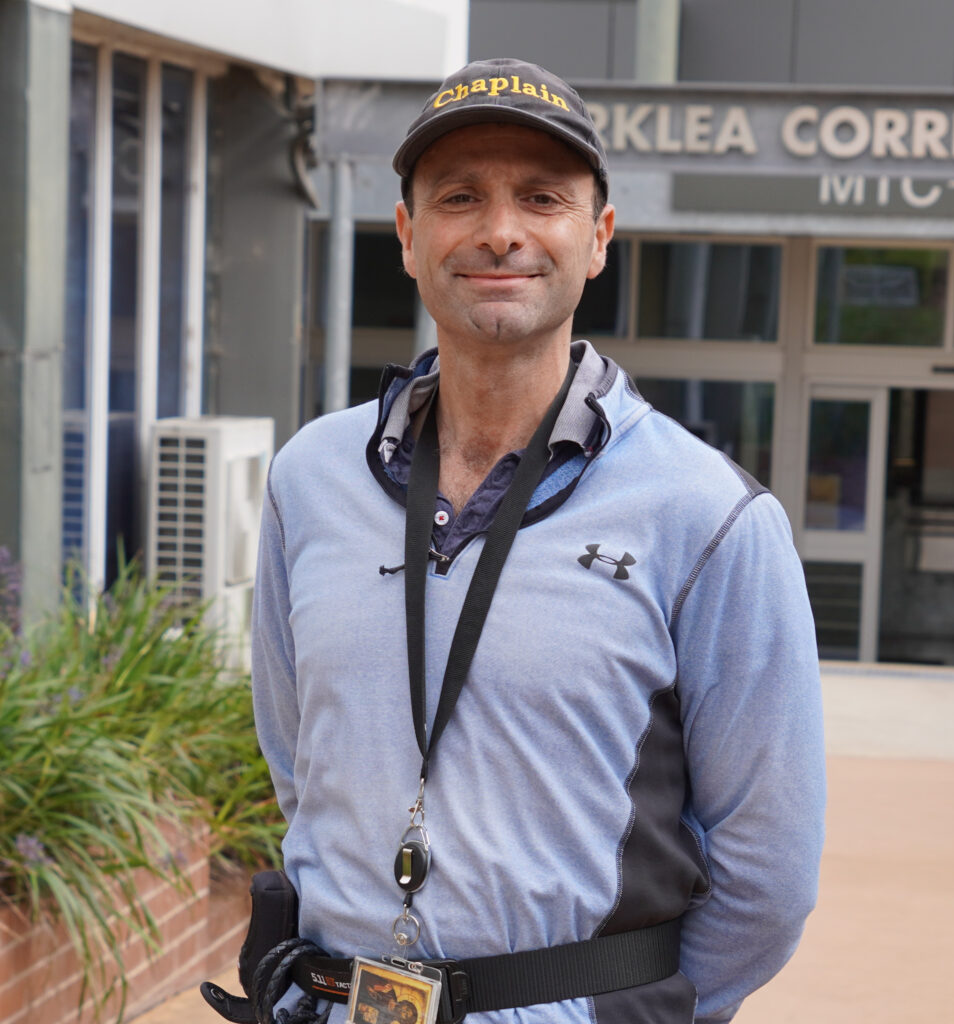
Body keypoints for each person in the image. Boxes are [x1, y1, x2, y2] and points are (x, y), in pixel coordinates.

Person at [251, 57, 826, 1024]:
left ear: (597, 238)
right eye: (460, 196)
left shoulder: (709, 515)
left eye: (542, 197)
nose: (500, 230)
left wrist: (602, 1009)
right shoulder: (309, 477)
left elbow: (767, 876)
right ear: (407, 235)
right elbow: (296, 765)